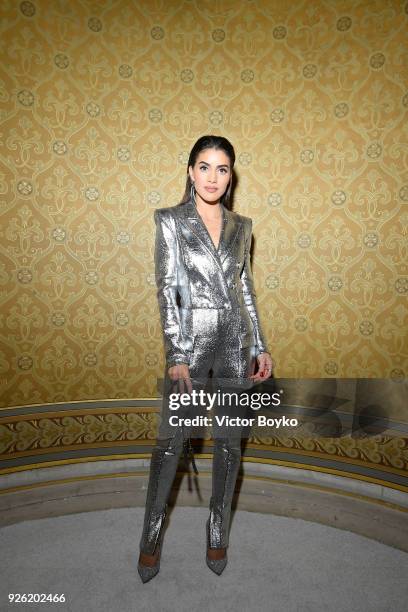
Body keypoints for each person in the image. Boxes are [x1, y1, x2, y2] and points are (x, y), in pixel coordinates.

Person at [138, 135, 274, 582]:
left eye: (222, 168)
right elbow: (168, 287)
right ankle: (152, 534)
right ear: (190, 171)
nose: (213, 177)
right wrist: (176, 352)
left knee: (230, 443)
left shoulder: (243, 225)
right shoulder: (169, 221)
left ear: (230, 175)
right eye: (204, 166)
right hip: (189, 346)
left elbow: (246, 290)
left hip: (236, 341)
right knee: (170, 444)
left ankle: (218, 529)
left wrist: (260, 347)